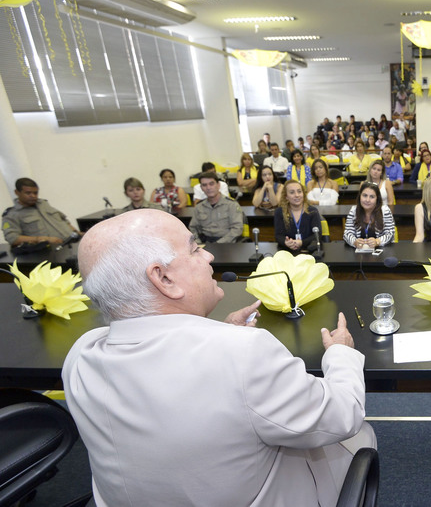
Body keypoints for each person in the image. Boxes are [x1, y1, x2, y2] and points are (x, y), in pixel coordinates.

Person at [62, 209, 375, 507]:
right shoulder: (243, 354)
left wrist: (219, 333)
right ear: (163, 278)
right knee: (362, 435)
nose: (209, 256)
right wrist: (341, 353)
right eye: (195, 249)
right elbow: (343, 415)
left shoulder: (80, 355)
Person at [2, 177, 81, 246]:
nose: (33, 196)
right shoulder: (12, 215)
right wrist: (43, 239)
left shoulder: (43, 204)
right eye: (28, 193)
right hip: (51, 251)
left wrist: (78, 233)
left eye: (35, 193)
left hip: (73, 242)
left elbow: (63, 220)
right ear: (17, 192)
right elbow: (12, 238)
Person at [189, 173, 244, 243]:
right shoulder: (199, 207)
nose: (208, 188)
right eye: (204, 185)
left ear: (218, 185)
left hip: (227, 243)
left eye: (211, 184)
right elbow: (193, 228)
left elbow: (237, 229)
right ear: (201, 188)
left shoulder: (232, 205)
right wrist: (197, 243)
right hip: (205, 243)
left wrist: (218, 243)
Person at [274, 180, 323, 254]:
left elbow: (317, 235)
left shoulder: (313, 211)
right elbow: (278, 236)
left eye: (299, 191)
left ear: (303, 194)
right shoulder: (279, 212)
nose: (297, 195)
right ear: (286, 196)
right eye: (292, 192)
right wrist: (286, 242)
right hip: (288, 252)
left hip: (309, 251)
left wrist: (301, 242)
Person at [344, 183, 395, 249]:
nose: (367, 200)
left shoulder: (385, 211)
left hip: (382, 251)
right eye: (365, 195)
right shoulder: (354, 210)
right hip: (359, 252)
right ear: (360, 196)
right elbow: (347, 233)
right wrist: (354, 242)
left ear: (377, 199)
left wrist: (377, 241)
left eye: (372, 197)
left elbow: (390, 234)